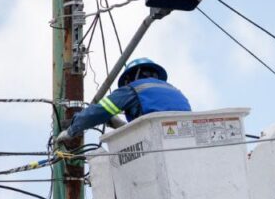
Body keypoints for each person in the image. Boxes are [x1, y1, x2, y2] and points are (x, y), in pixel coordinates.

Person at [55, 57, 191, 146]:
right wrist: (120, 125)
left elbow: (99, 111)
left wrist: (71, 130)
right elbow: (160, 122)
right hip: (185, 144)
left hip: (156, 144)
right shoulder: (178, 93)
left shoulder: (133, 88)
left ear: (132, 76)